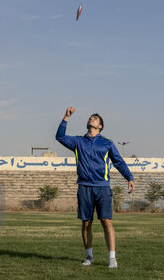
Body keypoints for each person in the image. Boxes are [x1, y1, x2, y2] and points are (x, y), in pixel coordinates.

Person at [56, 106, 135, 269]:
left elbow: (118, 161)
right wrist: (66, 117)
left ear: (100, 126)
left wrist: (129, 177)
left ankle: (112, 258)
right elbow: (60, 137)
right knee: (86, 223)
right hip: (84, 187)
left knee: (106, 221)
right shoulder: (78, 141)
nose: (91, 119)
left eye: (95, 118)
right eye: (91, 117)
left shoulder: (107, 143)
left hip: (102, 187)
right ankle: (89, 256)